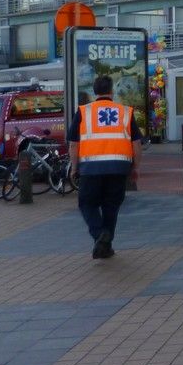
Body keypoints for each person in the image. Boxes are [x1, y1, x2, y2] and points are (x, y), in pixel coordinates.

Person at [68, 75, 142, 259]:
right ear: (112, 90)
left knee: (86, 203)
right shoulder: (125, 112)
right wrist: (135, 168)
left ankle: (99, 234)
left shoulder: (83, 112)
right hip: (118, 168)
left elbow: (73, 145)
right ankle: (105, 246)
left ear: (94, 91)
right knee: (111, 206)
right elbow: (137, 144)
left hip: (90, 168)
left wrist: (74, 167)